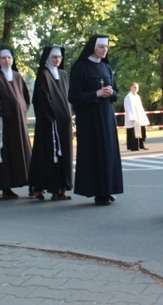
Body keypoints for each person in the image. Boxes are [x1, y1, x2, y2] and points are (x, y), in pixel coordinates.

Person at [68, 35, 123, 206]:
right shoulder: (81, 67)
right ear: (93, 47)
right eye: (101, 47)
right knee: (95, 153)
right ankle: (97, 192)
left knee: (109, 152)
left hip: (106, 116)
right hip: (90, 119)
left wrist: (110, 92)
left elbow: (116, 91)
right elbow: (74, 96)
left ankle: (108, 189)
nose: (104, 50)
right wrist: (96, 94)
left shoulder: (107, 66)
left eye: (106, 47)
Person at [0, 48, 31, 199]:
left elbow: (25, 95)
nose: (7, 60)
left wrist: (22, 109)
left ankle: (27, 181)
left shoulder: (18, 76)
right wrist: (4, 110)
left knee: (22, 150)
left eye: (9, 57)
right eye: (3, 58)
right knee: (5, 153)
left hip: (18, 122)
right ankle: (6, 187)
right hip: (3, 122)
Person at [29, 47, 73, 201]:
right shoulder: (43, 75)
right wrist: (53, 116)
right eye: (54, 57)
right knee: (47, 156)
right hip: (49, 123)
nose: (57, 60)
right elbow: (41, 99)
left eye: (59, 57)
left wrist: (68, 115)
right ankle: (40, 187)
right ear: (48, 58)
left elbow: (68, 97)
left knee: (62, 157)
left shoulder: (63, 74)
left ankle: (60, 189)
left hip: (63, 123)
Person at [124, 82, 149, 151]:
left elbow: (140, 107)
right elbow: (129, 107)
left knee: (142, 131)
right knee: (133, 133)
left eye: (137, 87)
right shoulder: (129, 97)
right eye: (134, 87)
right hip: (133, 117)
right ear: (131, 87)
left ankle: (141, 145)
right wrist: (132, 117)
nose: (136, 88)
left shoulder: (137, 96)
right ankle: (133, 146)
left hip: (139, 116)